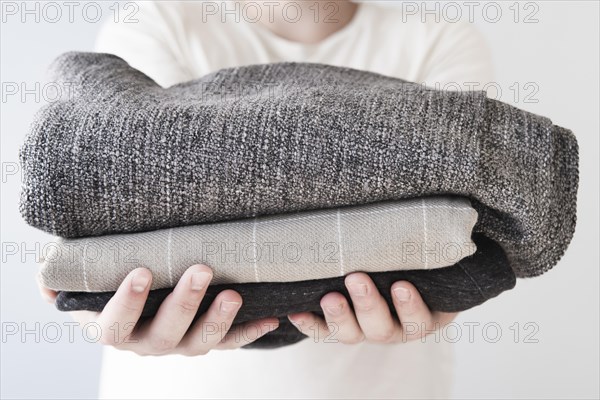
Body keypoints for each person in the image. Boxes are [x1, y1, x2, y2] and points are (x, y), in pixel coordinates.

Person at [39, 1, 494, 398]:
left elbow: (469, 227)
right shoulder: (156, 22)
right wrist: (105, 313)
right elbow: (112, 198)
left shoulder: (438, 38)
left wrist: (441, 306)